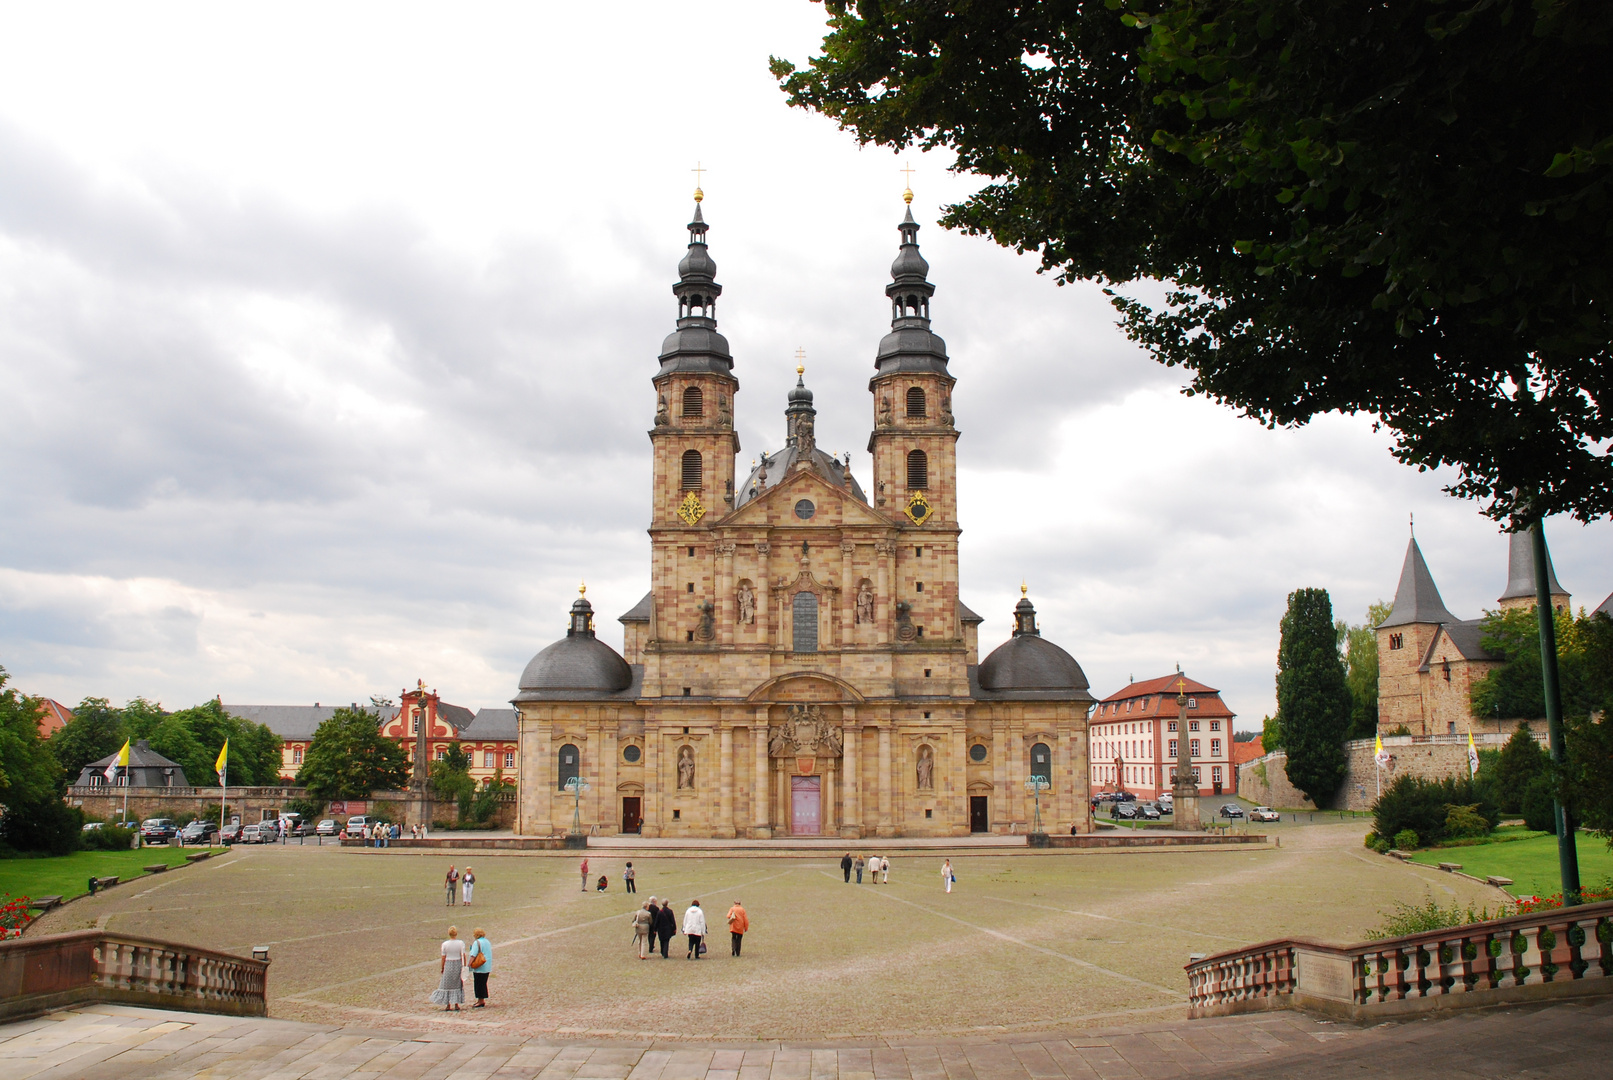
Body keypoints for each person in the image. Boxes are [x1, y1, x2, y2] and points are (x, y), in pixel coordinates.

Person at [430, 926, 467, 1011]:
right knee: (457, 983)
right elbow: (463, 955)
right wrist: (464, 966)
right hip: (457, 963)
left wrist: (442, 967)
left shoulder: (445, 944)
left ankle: (448, 1004)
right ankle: (456, 1004)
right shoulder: (460, 943)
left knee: (447, 984)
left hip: (448, 964)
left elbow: (443, 957)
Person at [467, 928, 492, 1008]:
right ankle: (482, 999)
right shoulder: (487, 942)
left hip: (480, 966)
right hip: (487, 965)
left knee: (478, 983)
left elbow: (473, 954)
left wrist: (469, 964)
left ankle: (480, 1001)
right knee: (483, 983)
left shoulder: (477, 942)